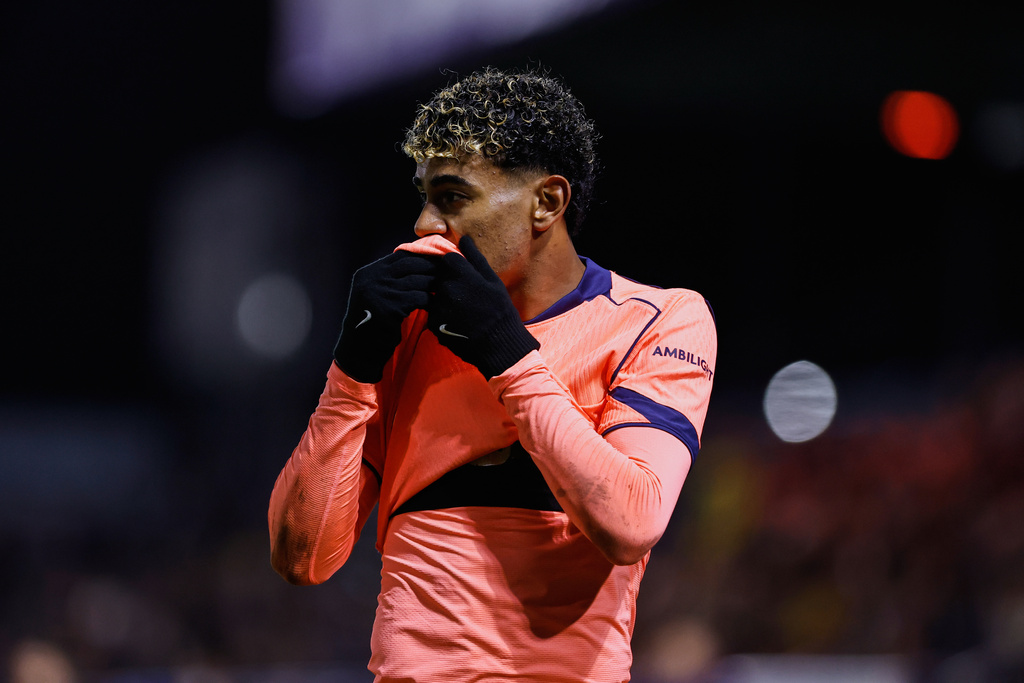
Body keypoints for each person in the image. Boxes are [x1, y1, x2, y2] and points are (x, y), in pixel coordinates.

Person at [268, 66, 717, 682]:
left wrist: (505, 353)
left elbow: (631, 523)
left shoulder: (659, 321)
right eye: (424, 197)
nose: (426, 225)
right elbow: (302, 558)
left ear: (546, 202)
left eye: (452, 196)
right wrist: (350, 372)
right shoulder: (406, 336)